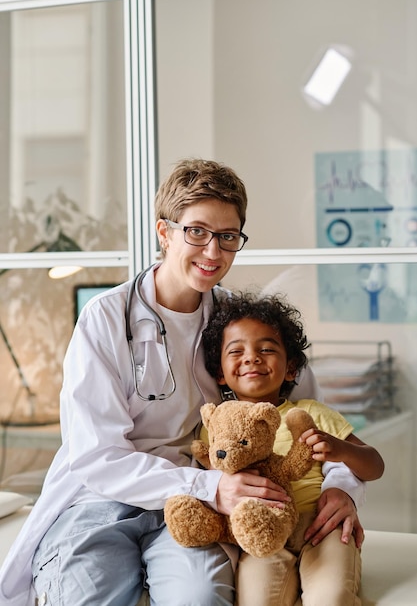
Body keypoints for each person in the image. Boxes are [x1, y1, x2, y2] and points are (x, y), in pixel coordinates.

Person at [0, 158, 365, 606]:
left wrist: (340, 489)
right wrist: (209, 487)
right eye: (197, 231)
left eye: (228, 237)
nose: (213, 252)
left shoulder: (240, 323)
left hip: (197, 511)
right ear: (164, 232)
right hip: (98, 502)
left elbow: (311, 419)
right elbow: (96, 456)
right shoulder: (106, 318)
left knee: (201, 597)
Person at [201, 291, 385, 606]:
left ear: (291, 369)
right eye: (237, 351)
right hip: (262, 534)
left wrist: (339, 449)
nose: (252, 357)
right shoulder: (215, 425)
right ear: (220, 372)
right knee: (257, 600)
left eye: (267, 349)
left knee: (332, 597)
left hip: (323, 527)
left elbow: (375, 465)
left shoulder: (312, 412)